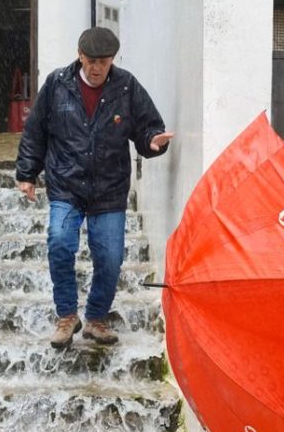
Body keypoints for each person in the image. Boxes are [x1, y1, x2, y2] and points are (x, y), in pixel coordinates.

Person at [15, 27, 174, 348]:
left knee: (111, 258)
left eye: (103, 61)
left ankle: (96, 320)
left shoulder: (127, 86)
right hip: (66, 185)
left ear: (112, 59)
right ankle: (66, 317)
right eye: (91, 61)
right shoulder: (57, 85)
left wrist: (152, 142)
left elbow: (148, 128)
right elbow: (35, 133)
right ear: (80, 55)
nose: (97, 68)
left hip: (109, 189)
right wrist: (27, 173)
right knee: (59, 244)